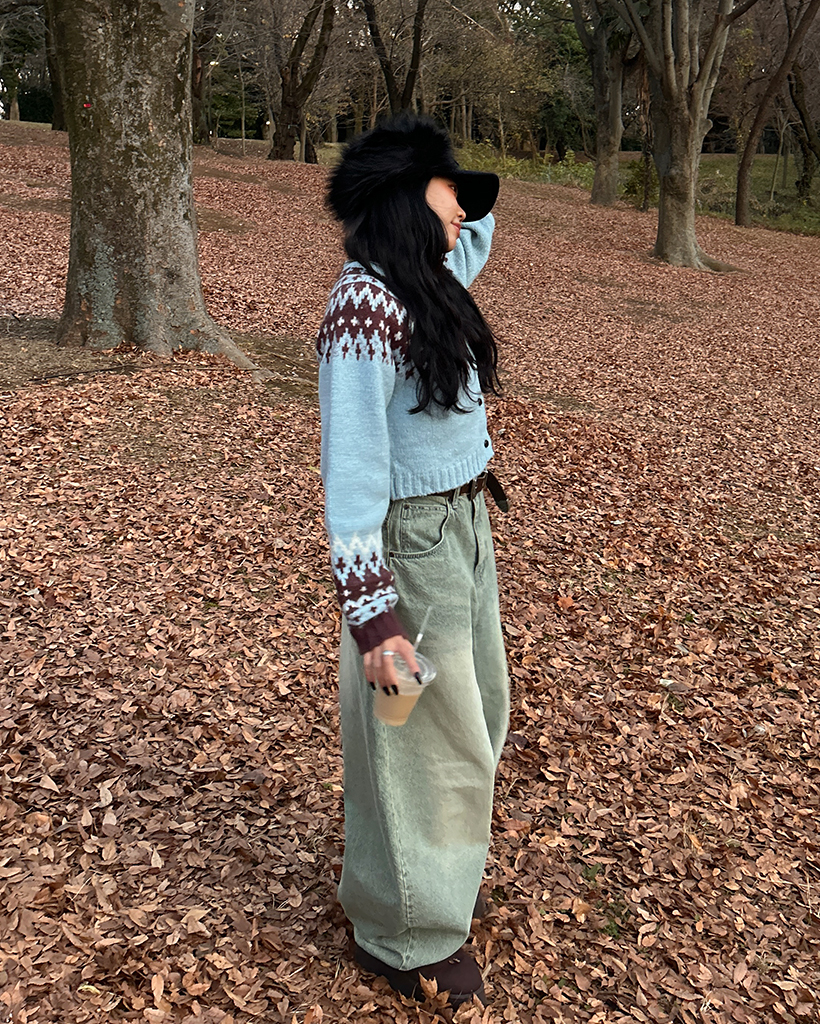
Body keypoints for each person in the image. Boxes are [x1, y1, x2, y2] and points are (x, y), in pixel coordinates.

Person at [316, 113, 509, 1008]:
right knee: (417, 735)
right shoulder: (364, 306)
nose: (463, 211)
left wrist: (451, 186)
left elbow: (479, 229)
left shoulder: (429, 279)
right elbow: (351, 474)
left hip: (465, 529)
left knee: (475, 714)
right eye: (447, 191)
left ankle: (428, 878)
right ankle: (405, 933)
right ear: (402, 198)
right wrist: (374, 617)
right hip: (409, 547)